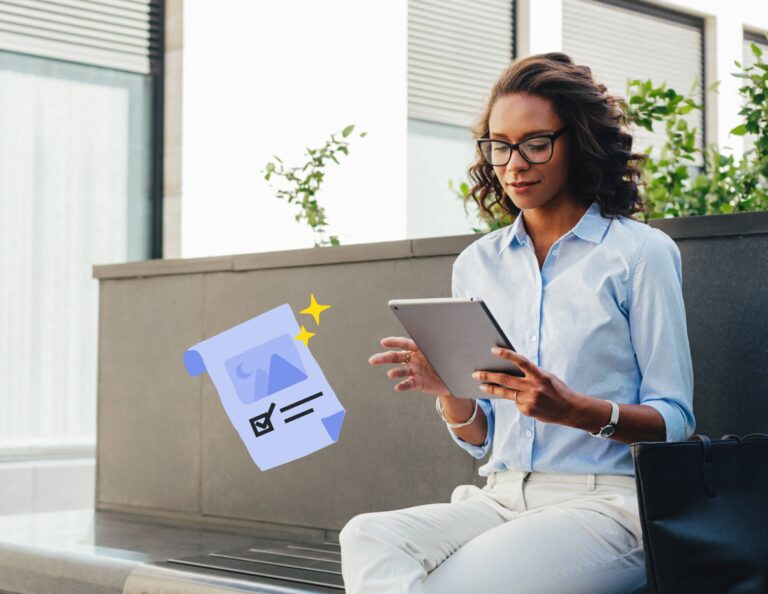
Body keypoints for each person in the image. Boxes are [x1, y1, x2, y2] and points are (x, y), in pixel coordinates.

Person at [338, 52, 695, 594]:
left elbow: (676, 419)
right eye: (499, 145)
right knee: (368, 537)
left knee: (452, 585)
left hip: (606, 505)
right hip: (499, 497)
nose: (514, 163)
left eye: (535, 143)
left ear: (577, 142)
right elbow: (483, 438)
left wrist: (574, 410)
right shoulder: (477, 264)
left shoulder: (639, 254)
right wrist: (449, 392)